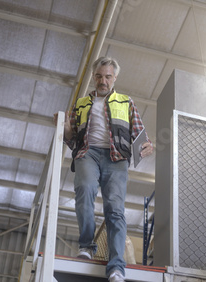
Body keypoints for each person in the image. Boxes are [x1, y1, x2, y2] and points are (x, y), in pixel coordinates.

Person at [54, 57, 153, 282]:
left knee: (115, 210)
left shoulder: (126, 102)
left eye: (108, 77)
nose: (103, 81)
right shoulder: (80, 104)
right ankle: (87, 246)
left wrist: (147, 145)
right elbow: (70, 138)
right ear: (94, 77)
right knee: (85, 188)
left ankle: (117, 267)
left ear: (115, 78)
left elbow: (140, 134)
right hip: (87, 153)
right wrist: (66, 127)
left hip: (116, 158)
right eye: (99, 76)